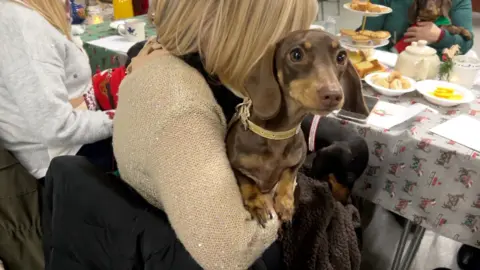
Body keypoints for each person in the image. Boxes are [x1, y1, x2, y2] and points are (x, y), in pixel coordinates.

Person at [113, 0, 318, 269]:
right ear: (246, 33)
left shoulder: (160, 57)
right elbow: (229, 250)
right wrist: (285, 189)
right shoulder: (182, 110)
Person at [0, 0, 116, 180]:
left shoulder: (37, 13)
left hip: (70, 145)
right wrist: (123, 118)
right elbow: (56, 127)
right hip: (61, 162)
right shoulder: (25, 24)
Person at [364, 0, 474, 55]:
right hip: (389, 61)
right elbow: (368, 36)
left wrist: (440, 37)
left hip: (438, 69)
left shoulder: (460, 1)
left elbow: (466, 43)